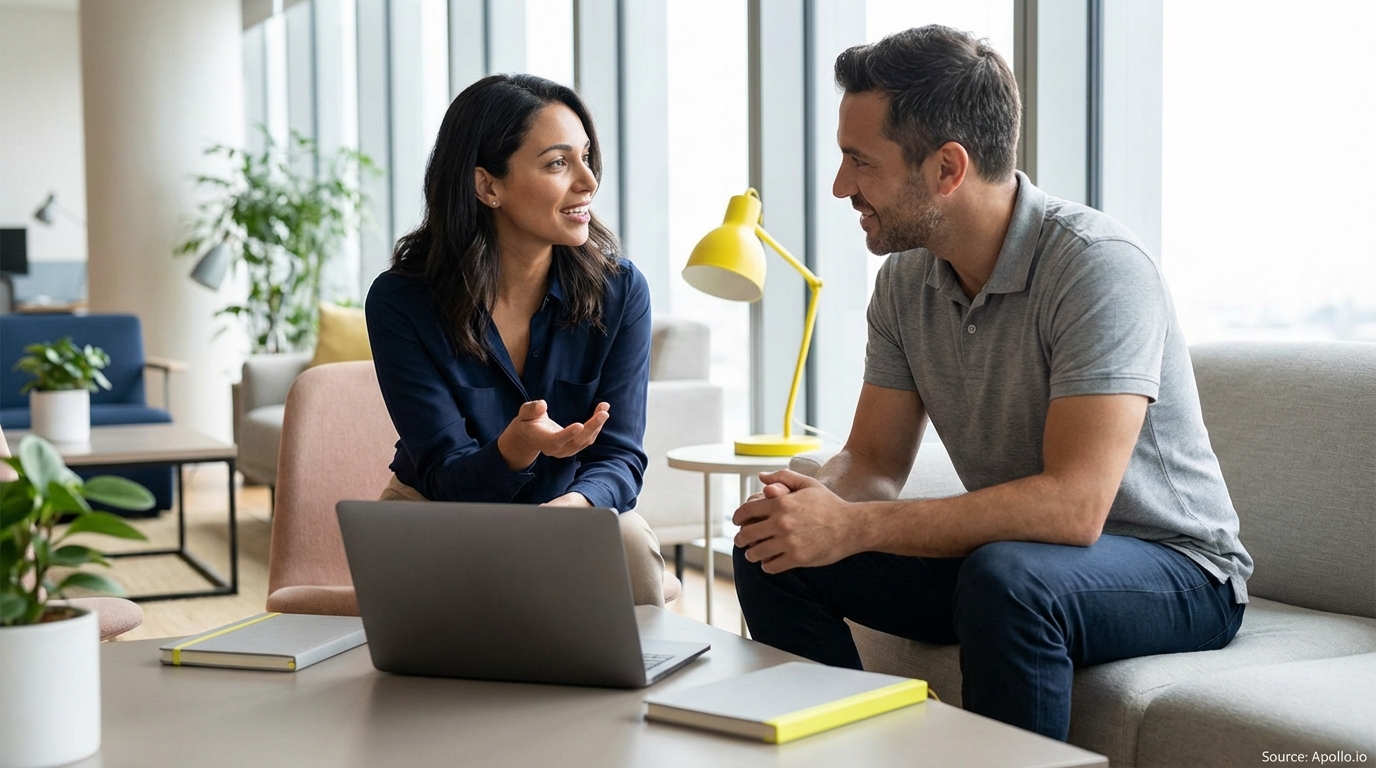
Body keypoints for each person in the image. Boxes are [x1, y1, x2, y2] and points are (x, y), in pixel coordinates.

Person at [731, 26, 1252, 740]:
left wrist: (853, 527)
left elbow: (1074, 508)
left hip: (1176, 571)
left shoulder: (1097, 267)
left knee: (1010, 579)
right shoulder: (905, 281)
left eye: (860, 162)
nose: (840, 186)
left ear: (948, 167)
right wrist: (811, 504)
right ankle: (842, 752)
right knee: (771, 549)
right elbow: (876, 462)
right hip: (1010, 562)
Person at [366, 74, 666, 605]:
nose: (589, 181)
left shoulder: (620, 291)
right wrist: (513, 450)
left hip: (567, 508)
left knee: (629, 545)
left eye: (586, 157)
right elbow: (443, 471)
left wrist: (572, 510)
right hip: (438, 509)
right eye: (557, 163)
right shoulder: (401, 302)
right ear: (488, 186)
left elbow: (620, 458)